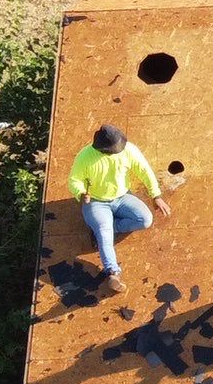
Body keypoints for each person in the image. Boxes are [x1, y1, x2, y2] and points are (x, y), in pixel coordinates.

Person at [70, 124, 169, 294]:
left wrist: (156, 195)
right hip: (96, 201)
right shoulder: (85, 156)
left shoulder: (129, 150)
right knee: (103, 231)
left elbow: (144, 170)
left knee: (145, 220)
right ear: (102, 149)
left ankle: (109, 228)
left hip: (122, 197)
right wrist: (80, 193)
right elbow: (74, 180)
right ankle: (113, 273)